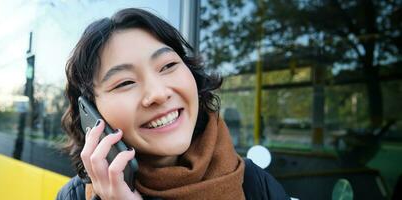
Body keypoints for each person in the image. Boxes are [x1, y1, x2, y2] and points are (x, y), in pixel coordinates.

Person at [57, 8, 289, 200]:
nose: (158, 93)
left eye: (167, 66)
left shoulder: (256, 186)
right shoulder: (74, 196)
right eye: (125, 82)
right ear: (91, 112)